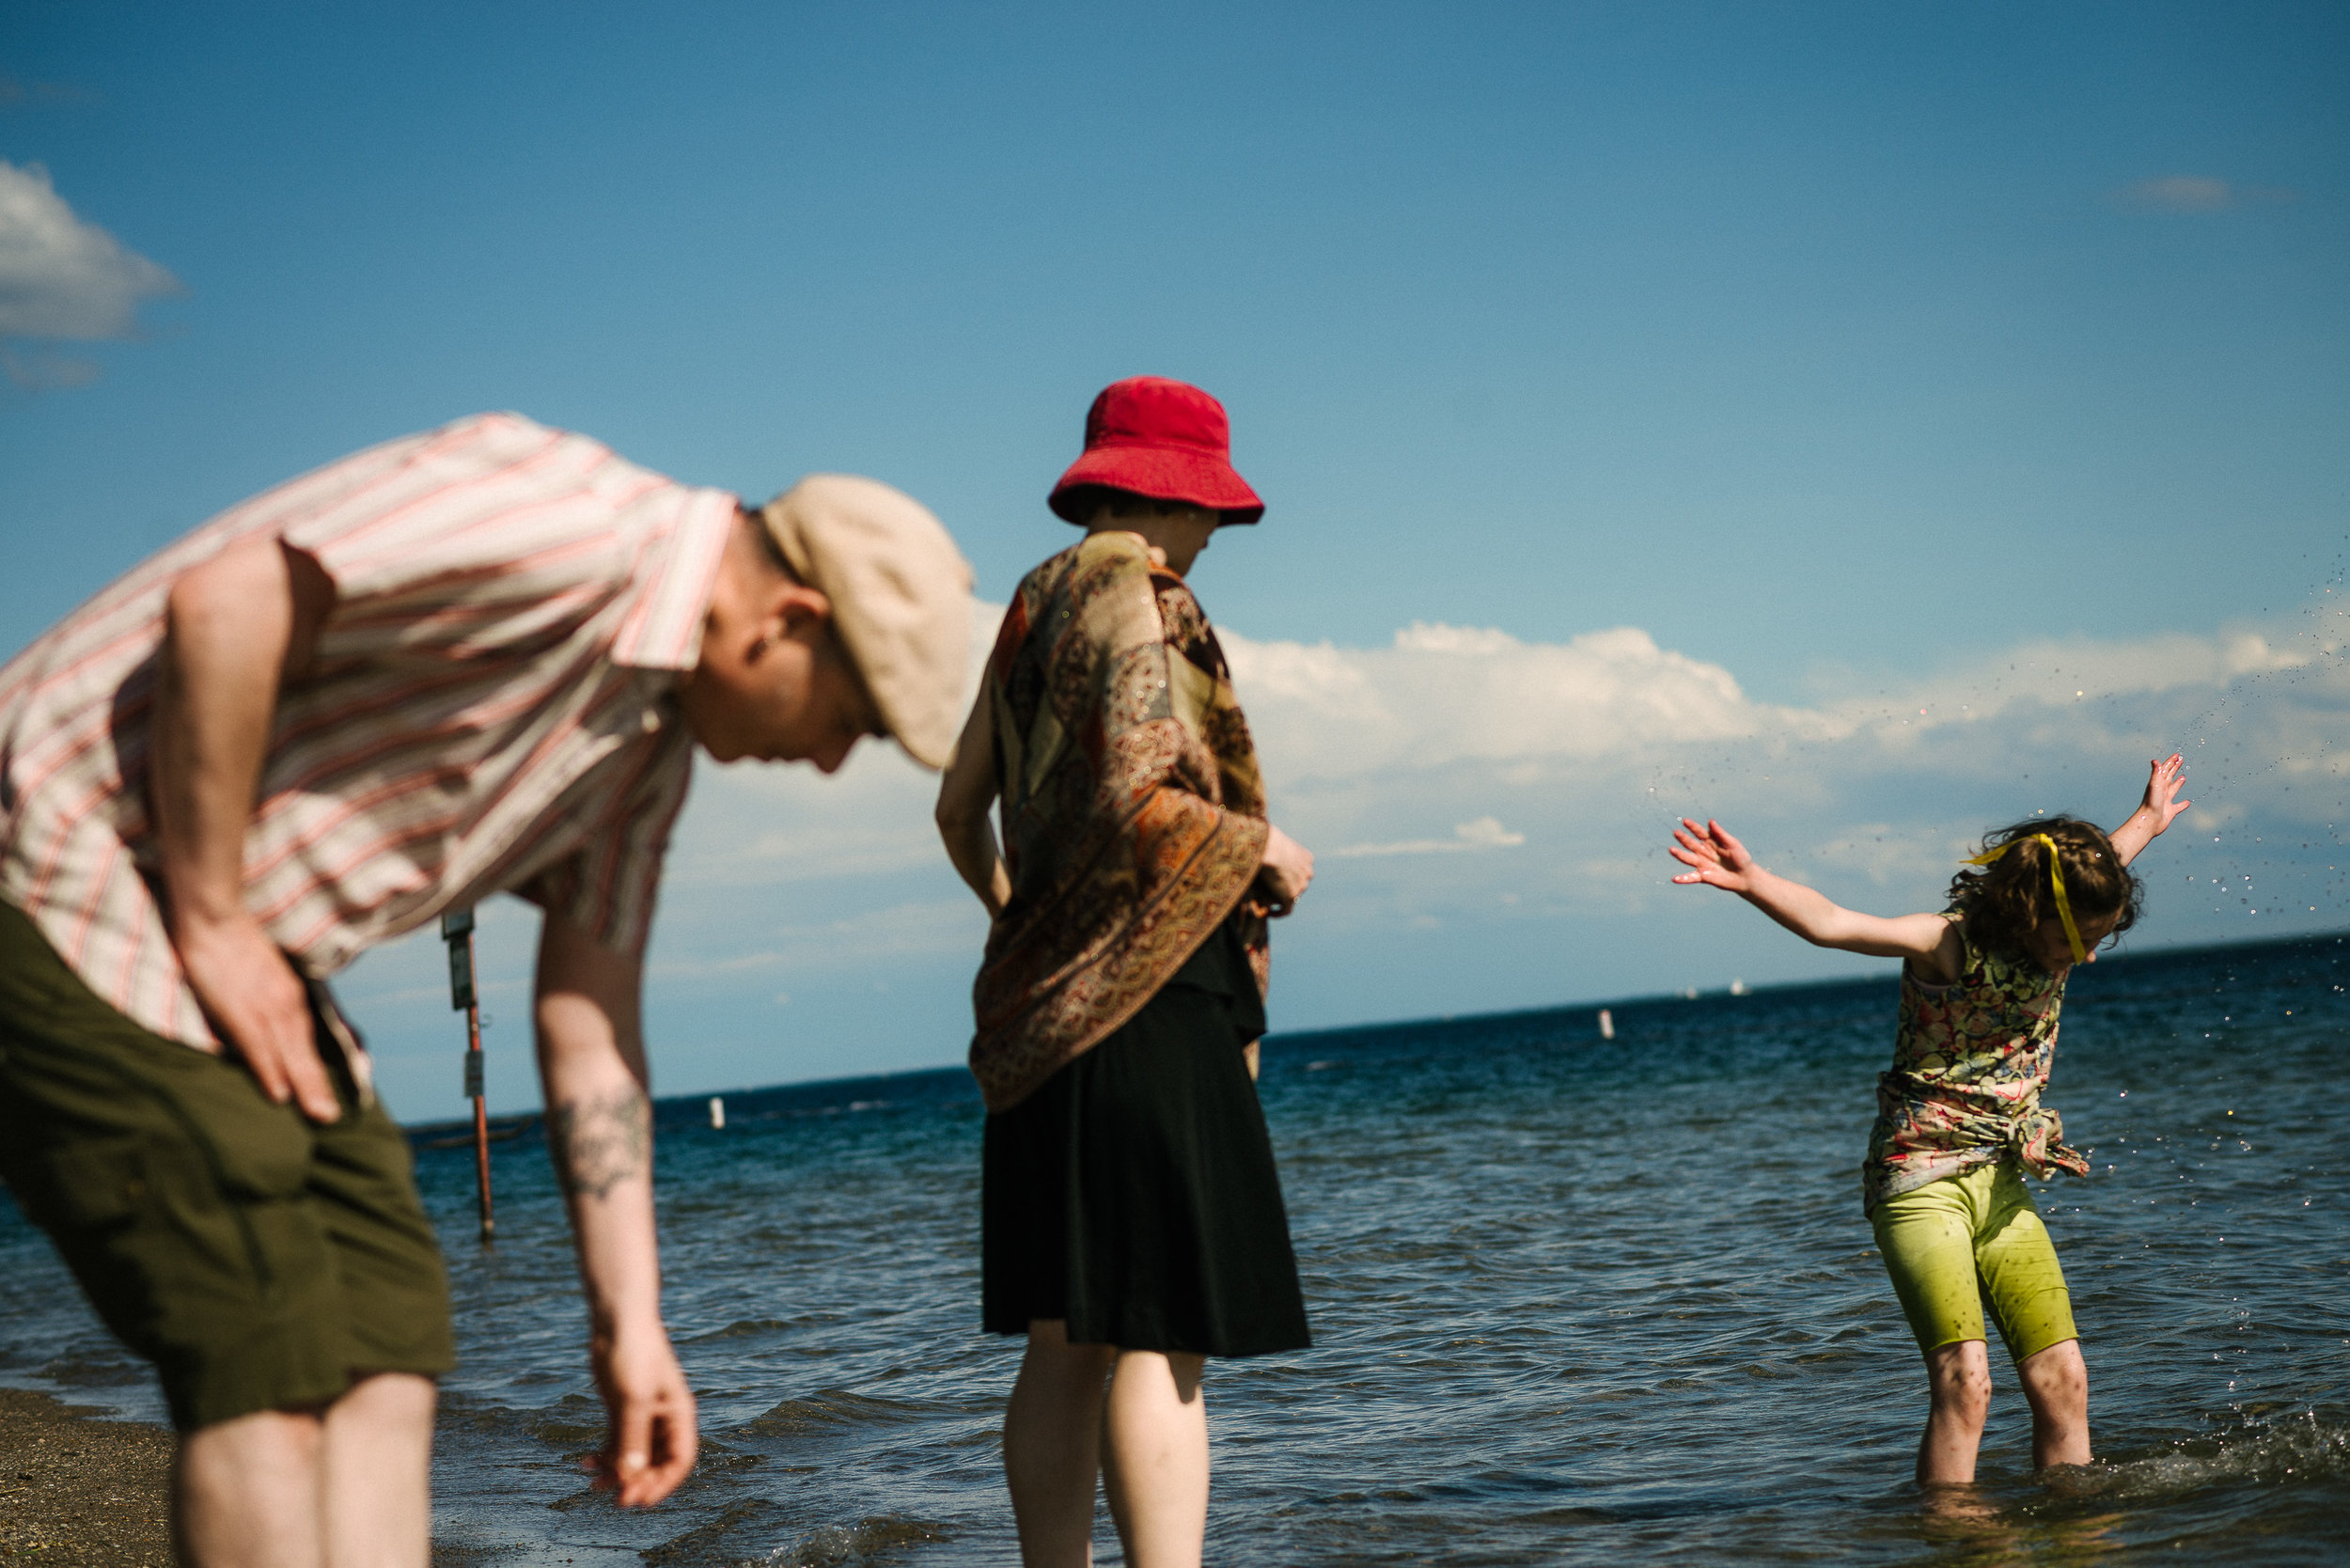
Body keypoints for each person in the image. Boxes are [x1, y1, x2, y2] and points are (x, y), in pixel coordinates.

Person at [0, 412, 974, 1566]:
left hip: (238, 950)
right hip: (65, 866)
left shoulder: (645, 756)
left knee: (387, 1330)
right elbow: (227, 603)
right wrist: (210, 916)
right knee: (261, 1348)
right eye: (848, 723)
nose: (825, 762)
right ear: (789, 623)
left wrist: (632, 1325)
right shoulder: (568, 525)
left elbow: (589, 1019)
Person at [935, 377, 1315, 1567]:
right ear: (1169, 496)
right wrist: (1266, 850)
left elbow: (957, 811)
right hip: (1157, 998)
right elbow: (1138, 794)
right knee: (1161, 1337)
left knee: (1062, 1340)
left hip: (1041, 1024)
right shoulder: (1148, 602)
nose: (1211, 541)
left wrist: (1027, 928)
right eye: (1210, 515)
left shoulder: (1032, 605)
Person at [1666, 756, 2191, 1486]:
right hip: (1920, 1180)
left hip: (1999, 1176)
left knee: (2065, 1379)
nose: (2091, 955)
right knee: (1965, 1384)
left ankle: (2075, 1538)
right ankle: (1950, 1544)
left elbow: (2098, 864)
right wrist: (1754, 881)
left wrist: (2146, 821)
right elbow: (1836, 924)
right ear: (2035, 918)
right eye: (2080, 940)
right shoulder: (1949, 945)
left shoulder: (2060, 910)